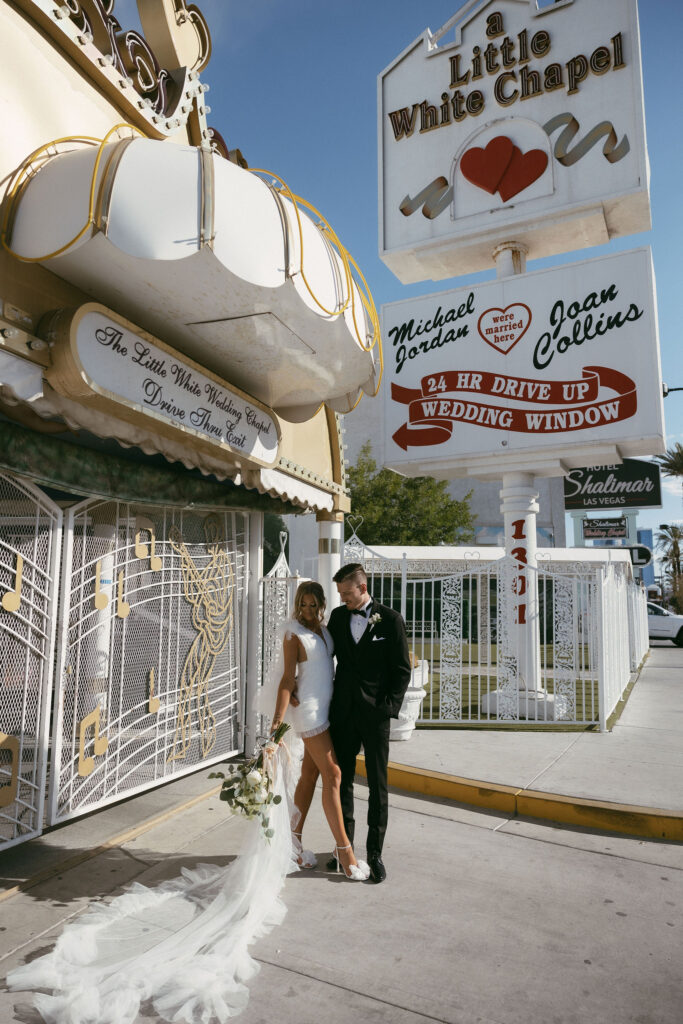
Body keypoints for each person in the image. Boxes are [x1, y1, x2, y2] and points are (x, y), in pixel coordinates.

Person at [270, 581, 369, 881]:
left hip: (327, 711)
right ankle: (345, 851)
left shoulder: (325, 631)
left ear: (322, 605)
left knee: (310, 776)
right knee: (333, 775)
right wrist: (277, 722)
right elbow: (288, 679)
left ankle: (293, 844)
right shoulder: (292, 633)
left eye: (314, 605)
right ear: (297, 604)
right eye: (304, 605)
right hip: (309, 714)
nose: (309, 611)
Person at [326, 563, 411, 884]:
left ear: (362, 588)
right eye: (340, 594)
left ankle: (374, 853)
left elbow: (402, 669)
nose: (343, 599)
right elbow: (322, 654)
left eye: (347, 593)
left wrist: (387, 708)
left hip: (375, 715)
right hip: (343, 712)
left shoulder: (390, 620)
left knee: (378, 785)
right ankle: (344, 850)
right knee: (341, 781)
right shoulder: (336, 617)